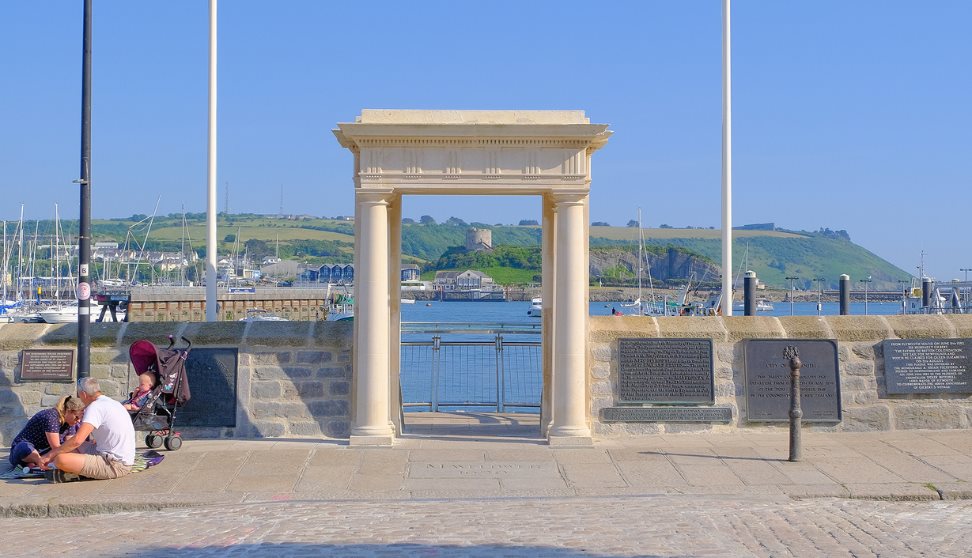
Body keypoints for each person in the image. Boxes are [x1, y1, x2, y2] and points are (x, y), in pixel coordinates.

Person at [41, 377, 136, 483]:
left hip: (115, 465)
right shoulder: (114, 403)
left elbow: (78, 440)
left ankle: (76, 471)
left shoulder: (94, 407)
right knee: (68, 444)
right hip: (122, 458)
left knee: (60, 459)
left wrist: (50, 455)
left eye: (79, 395)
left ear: (84, 394)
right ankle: (78, 467)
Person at [7, 395, 85, 469]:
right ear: (68, 411)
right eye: (76, 417)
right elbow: (56, 447)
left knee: (65, 448)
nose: (78, 421)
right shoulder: (51, 417)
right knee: (24, 447)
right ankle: (39, 462)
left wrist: (81, 460)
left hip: (44, 452)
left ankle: (34, 464)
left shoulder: (70, 422)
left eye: (80, 418)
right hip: (22, 451)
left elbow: (70, 444)